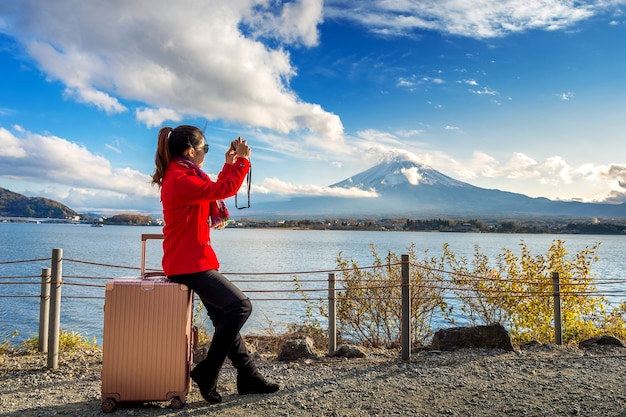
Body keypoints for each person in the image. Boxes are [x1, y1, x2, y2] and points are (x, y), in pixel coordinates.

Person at [151, 125, 279, 404]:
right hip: (190, 264)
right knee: (240, 306)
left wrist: (229, 163)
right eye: (204, 150)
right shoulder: (181, 178)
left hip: (190, 260)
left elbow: (211, 190)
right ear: (190, 151)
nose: (205, 155)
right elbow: (224, 188)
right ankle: (208, 371)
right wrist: (243, 161)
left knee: (224, 319)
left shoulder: (183, 174)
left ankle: (249, 376)